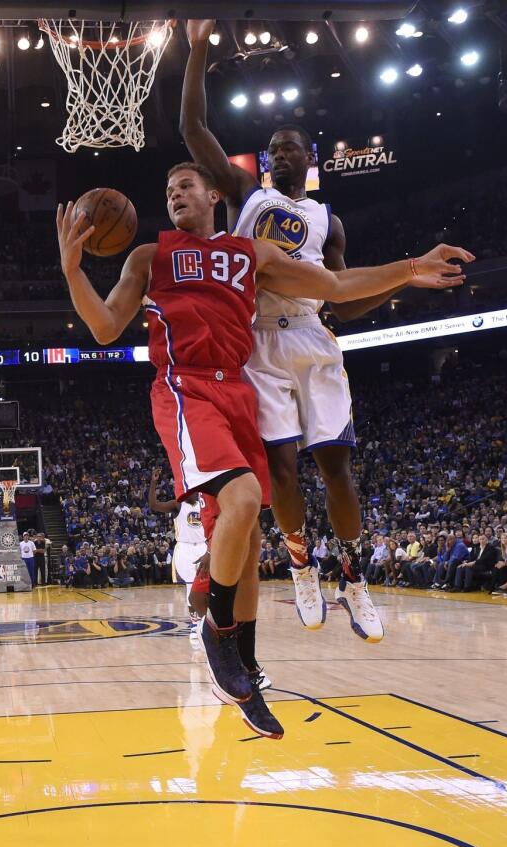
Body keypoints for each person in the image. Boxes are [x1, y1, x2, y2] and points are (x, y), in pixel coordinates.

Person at [57, 160, 469, 739]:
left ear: (212, 196)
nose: (175, 194)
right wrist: (74, 271)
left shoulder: (252, 255)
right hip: (185, 386)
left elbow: (334, 286)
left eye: (185, 186)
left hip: (238, 388)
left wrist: (409, 269)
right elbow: (103, 327)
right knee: (246, 497)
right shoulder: (150, 256)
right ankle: (218, 633)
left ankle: (245, 665)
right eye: (168, 189)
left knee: (248, 538)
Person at [180, 20, 468, 644]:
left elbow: (345, 301)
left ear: (310, 160)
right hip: (257, 339)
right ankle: (302, 561)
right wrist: (200, 47)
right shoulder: (242, 193)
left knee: (336, 466)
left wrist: (401, 280)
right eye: (273, 147)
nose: (280, 153)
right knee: (281, 469)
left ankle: (353, 574)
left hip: (312, 334)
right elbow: (192, 131)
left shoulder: (328, 222)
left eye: (291, 147)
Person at [149, 467, 209, 649]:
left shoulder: (205, 503)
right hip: (184, 548)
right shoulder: (177, 504)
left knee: (207, 589)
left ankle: (207, 624)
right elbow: (154, 505)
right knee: (191, 589)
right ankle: (194, 626)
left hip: (203, 547)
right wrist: (153, 483)